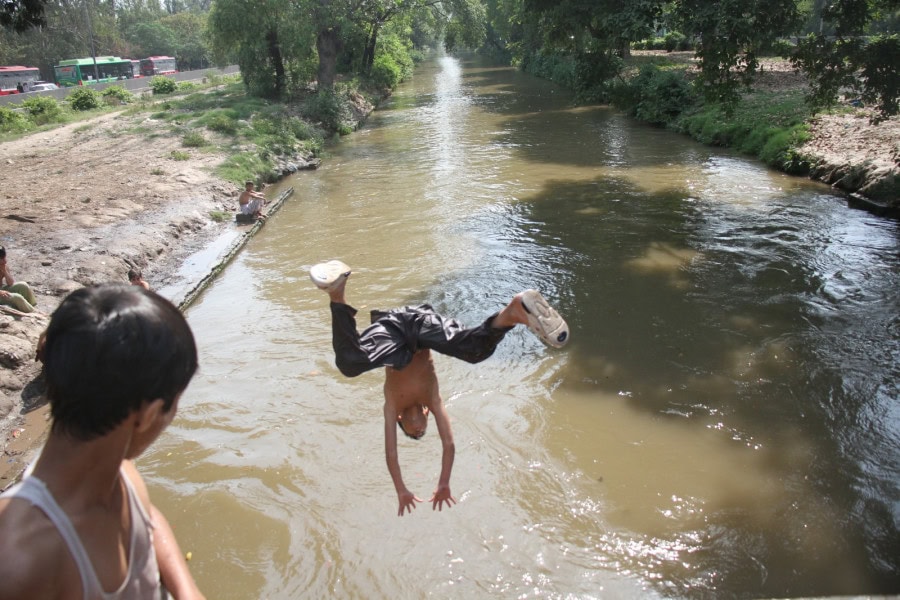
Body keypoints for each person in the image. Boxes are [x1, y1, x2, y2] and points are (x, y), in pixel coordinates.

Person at [310, 260, 569, 517]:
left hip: (393, 329)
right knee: (475, 351)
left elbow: (391, 453)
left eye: (413, 432)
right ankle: (513, 312)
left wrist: (400, 489)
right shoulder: (433, 401)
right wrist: (444, 483)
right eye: (423, 430)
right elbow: (449, 444)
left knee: (350, 364)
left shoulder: (392, 406)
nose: (419, 429)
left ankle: (336, 296)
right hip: (422, 330)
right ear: (427, 415)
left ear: (400, 420)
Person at [0, 284, 206, 600]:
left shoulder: (120, 472)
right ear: (149, 415)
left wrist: (186, 591)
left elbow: (149, 519)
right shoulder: (21, 560)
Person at [0, 245, 39, 313]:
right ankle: (33, 313)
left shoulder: (3, 266)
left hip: (1, 288)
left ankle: (31, 307)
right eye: (2, 259)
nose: (5, 261)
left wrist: (5, 271)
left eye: (4, 257)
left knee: (23, 285)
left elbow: (10, 283)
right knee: (17, 297)